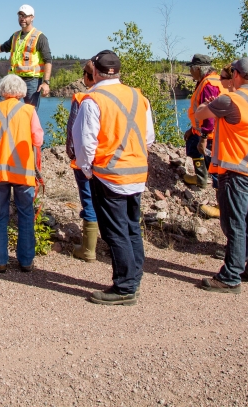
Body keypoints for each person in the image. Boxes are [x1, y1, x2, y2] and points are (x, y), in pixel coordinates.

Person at [74, 50, 154, 305]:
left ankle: (125, 287)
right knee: (132, 227)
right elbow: (149, 136)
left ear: (95, 72)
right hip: (137, 172)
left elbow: (85, 141)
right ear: (118, 71)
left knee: (115, 231)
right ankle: (134, 277)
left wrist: (88, 170)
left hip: (109, 175)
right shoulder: (139, 96)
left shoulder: (93, 99)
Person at [194, 58, 248, 294]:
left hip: (236, 169)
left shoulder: (231, 99)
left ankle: (231, 276)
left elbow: (200, 115)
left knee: (235, 223)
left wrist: (209, 105)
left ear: (237, 74)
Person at [0, 74, 44, 272]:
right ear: (22, 92)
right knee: (25, 215)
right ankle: (26, 261)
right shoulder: (29, 110)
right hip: (23, 173)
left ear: (2, 91)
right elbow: (38, 140)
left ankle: (0, 261)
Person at [0, 4, 52, 109]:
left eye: (25, 16)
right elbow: (3, 47)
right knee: (2, 108)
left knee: (30, 112)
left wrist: (46, 82)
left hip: (32, 80)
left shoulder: (40, 37)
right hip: (14, 79)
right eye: (20, 15)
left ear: (32, 18)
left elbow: (48, 61)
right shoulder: (15, 36)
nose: (22, 18)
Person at [67, 61, 98, 261]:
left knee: (89, 202)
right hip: (118, 164)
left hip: (87, 162)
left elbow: (74, 133)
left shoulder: (82, 98)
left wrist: (73, 155)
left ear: (87, 77)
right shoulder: (129, 96)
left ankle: (88, 250)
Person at [184, 54, 222, 189]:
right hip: (205, 131)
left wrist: (204, 137)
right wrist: (192, 129)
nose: (190, 72)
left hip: (211, 134)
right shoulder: (211, 81)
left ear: (198, 68)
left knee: (214, 165)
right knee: (193, 146)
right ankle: (200, 178)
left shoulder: (209, 85)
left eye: (191, 68)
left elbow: (209, 113)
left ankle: (220, 201)